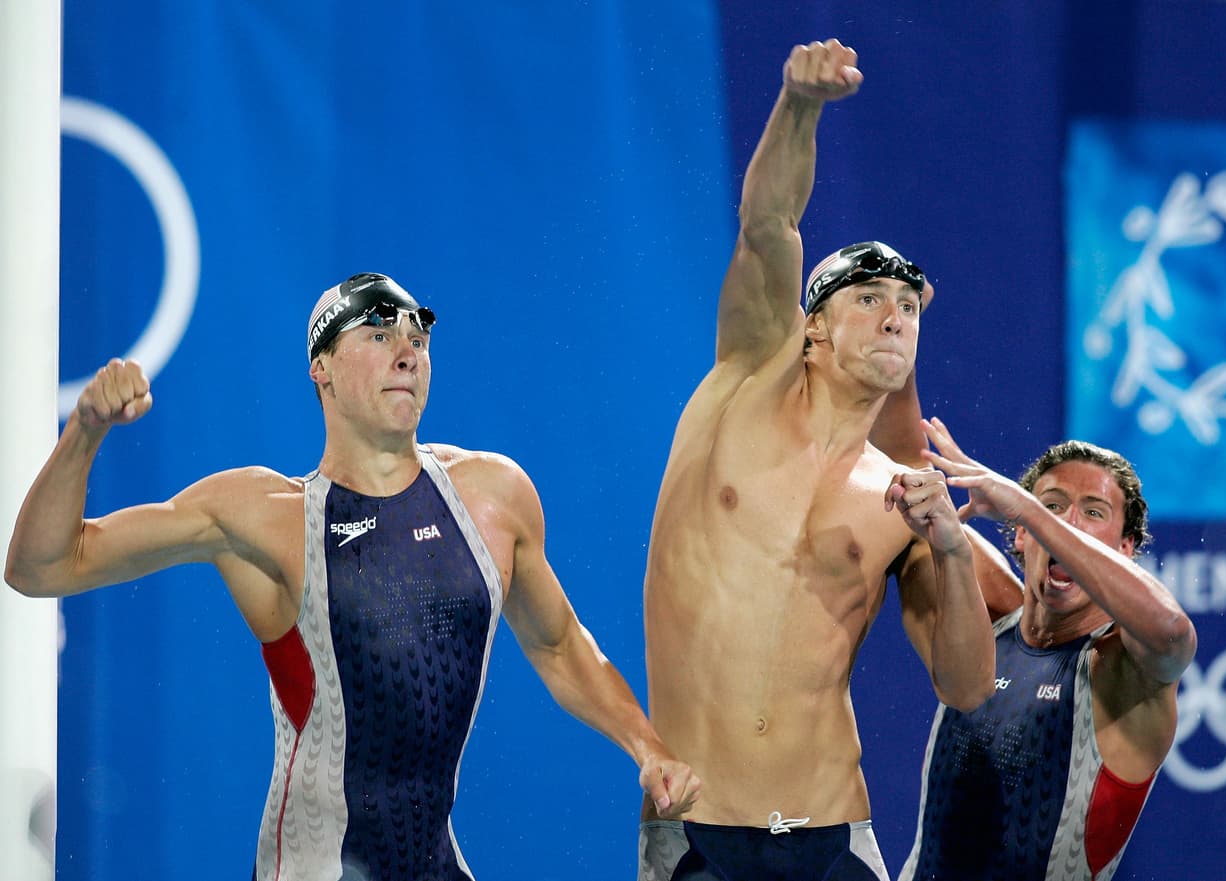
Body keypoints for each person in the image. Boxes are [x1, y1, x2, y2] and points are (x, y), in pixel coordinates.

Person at [5, 272, 700, 881]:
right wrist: (85, 430)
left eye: (418, 338)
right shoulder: (267, 515)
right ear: (323, 368)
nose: (408, 351)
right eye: (378, 333)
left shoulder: (492, 496)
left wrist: (647, 747)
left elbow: (559, 644)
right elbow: (40, 566)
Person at [637, 39, 1023, 881]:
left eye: (908, 307)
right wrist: (800, 103)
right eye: (869, 298)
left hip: (834, 834)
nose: (894, 317)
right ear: (812, 325)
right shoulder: (745, 377)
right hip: (701, 833)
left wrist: (952, 549)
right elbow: (769, 223)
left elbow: (965, 685)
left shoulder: (902, 499)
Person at [896, 420, 1197, 881]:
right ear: (1019, 535)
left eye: (1093, 512)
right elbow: (900, 469)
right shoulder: (989, 619)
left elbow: (1173, 632)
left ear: (1125, 549)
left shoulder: (1122, 673)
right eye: (1053, 504)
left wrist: (1032, 512)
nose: (1068, 521)